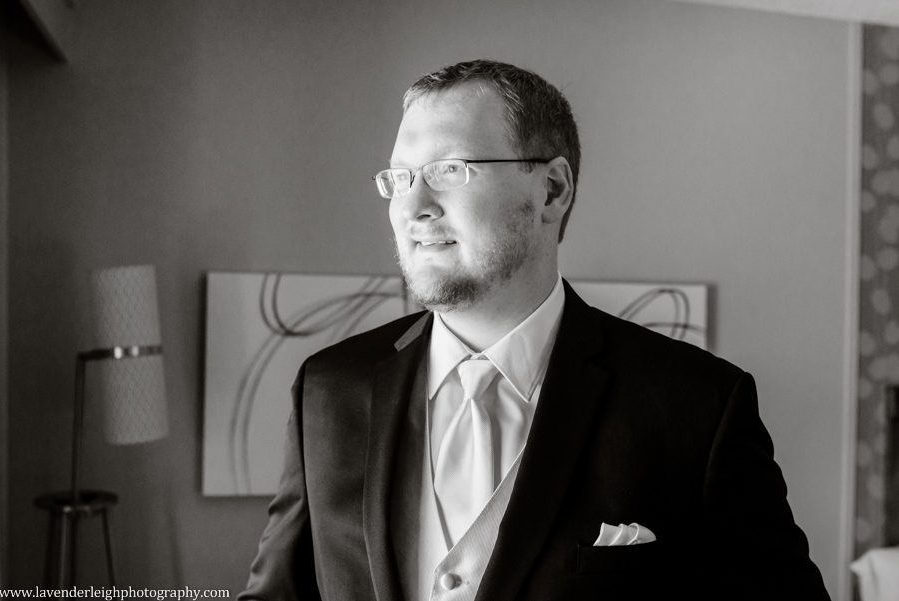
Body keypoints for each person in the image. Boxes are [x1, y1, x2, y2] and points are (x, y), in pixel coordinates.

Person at [239, 59, 830, 601]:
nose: (413, 206)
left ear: (552, 190)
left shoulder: (697, 405)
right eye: (399, 177)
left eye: (449, 170)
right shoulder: (329, 387)